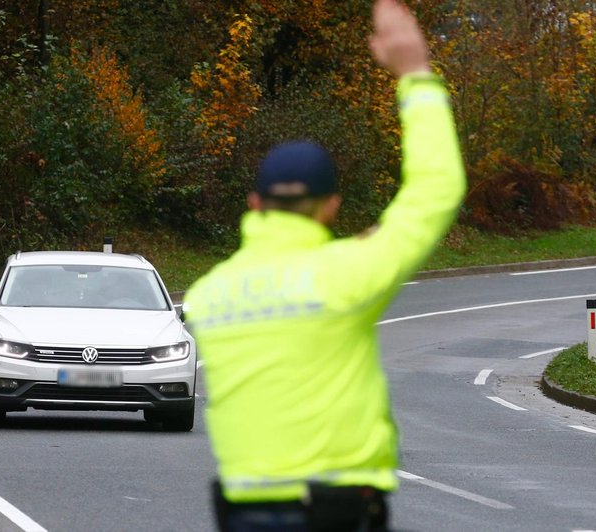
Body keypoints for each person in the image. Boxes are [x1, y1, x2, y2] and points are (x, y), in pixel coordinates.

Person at [183, 0, 466, 530]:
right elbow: (436, 191)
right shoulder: (346, 275)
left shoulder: (207, 296)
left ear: (254, 203)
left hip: (244, 512)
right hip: (335, 512)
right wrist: (415, 75)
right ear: (332, 205)